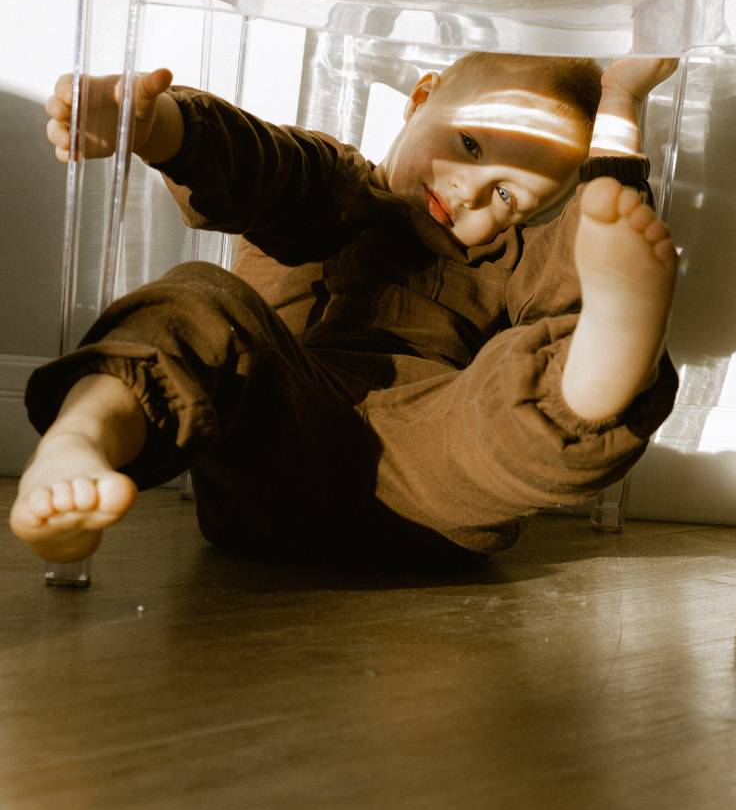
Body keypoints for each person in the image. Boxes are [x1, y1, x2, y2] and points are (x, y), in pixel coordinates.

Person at [9, 52, 680, 569]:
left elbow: (568, 264)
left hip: (430, 477)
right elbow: (258, 162)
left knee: (513, 382)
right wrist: (155, 127)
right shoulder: (336, 184)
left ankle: (606, 353)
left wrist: (621, 105)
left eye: (508, 197)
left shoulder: (507, 261)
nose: (469, 193)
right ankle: (84, 440)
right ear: (422, 98)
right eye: (470, 146)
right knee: (196, 298)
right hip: (265, 439)